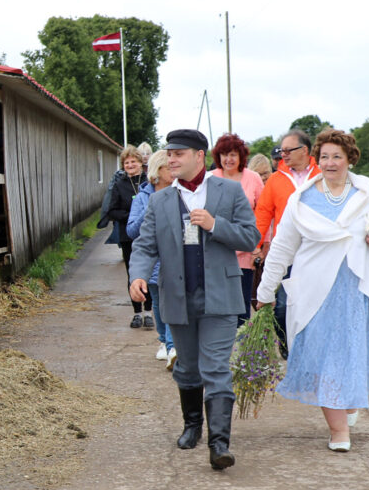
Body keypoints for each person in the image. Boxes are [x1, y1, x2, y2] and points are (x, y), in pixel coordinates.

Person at [256, 129, 369, 452]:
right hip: (316, 294)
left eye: (336, 156)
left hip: (360, 292)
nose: (329, 163)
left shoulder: (368, 192)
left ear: (349, 159)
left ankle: (349, 402)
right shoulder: (302, 201)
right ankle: (338, 430)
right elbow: (282, 249)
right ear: (316, 158)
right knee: (326, 358)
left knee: (359, 356)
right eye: (324, 156)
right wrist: (265, 292)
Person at [129, 129, 261, 471]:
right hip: (178, 297)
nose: (171, 159)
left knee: (215, 368)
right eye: (169, 154)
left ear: (199, 156)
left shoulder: (228, 191)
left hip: (220, 295)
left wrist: (216, 225)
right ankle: (192, 426)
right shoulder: (160, 200)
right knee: (187, 368)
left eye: (179, 154)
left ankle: (220, 445)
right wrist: (138, 275)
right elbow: (145, 245)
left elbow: (250, 236)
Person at [252, 130, 321, 357]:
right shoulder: (276, 180)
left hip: (317, 252)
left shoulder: (322, 175)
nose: (284, 154)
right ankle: (286, 344)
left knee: (315, 305)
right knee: (281, 306)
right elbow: (263, 213)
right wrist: (256, 241)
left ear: (304, 150)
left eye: (288, 150)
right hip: (287, 252)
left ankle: (311, 349)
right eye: (282, 150)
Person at [126, 149, 177, 369]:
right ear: (158, 170)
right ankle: (165, 342)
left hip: (174, 258)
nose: (173, 170)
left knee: (174, 301)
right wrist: (151, 209)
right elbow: (131, 230)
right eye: (168, 167)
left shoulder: (180, 193)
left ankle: (173, 346)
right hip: (153, 260)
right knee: (157, 302)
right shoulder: (143, 196)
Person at [210, 133, 265, 325]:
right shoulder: (210, 178)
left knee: (242, 307)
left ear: (241, 156)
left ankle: (242, 352)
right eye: (224, 154)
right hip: (216, 252)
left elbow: (263, 214)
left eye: (233, 154)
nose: (228, 159)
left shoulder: (254, 178)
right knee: (217, 307)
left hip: (244, 253)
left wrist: (258, 246)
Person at [107, 146, 154, 329]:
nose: (130, 165)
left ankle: (149, 312)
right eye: (126, 163)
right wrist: (132, 216)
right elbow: (112, 210)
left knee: (150, 273)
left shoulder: (148, 182)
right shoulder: (119, 185)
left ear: (140, 162)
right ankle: (137, 313)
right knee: (133, 274)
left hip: (148, 234)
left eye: (133, 161)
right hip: (128, 236)